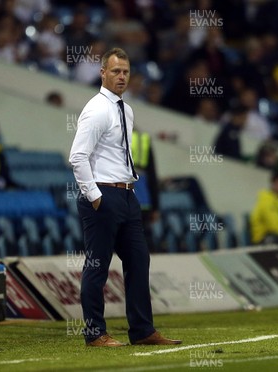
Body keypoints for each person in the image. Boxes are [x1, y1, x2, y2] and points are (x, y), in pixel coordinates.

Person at [69, 47, 180, 347]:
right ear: (102, 72)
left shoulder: (125, 110)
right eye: (115, 71)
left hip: (128, 196)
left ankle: (142, 331)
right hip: (103, 195)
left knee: (139, 261)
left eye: (126, 72)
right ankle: (94, 333)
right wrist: (95, 197)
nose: (121, 77)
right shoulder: (96, 108)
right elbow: (78, 157)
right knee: (97, 266)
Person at [131, 129, 160, 252]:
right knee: (142, 237)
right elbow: (152, 176)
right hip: (142, 198)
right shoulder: (142, 139)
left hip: (122, 196)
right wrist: (155, 206)